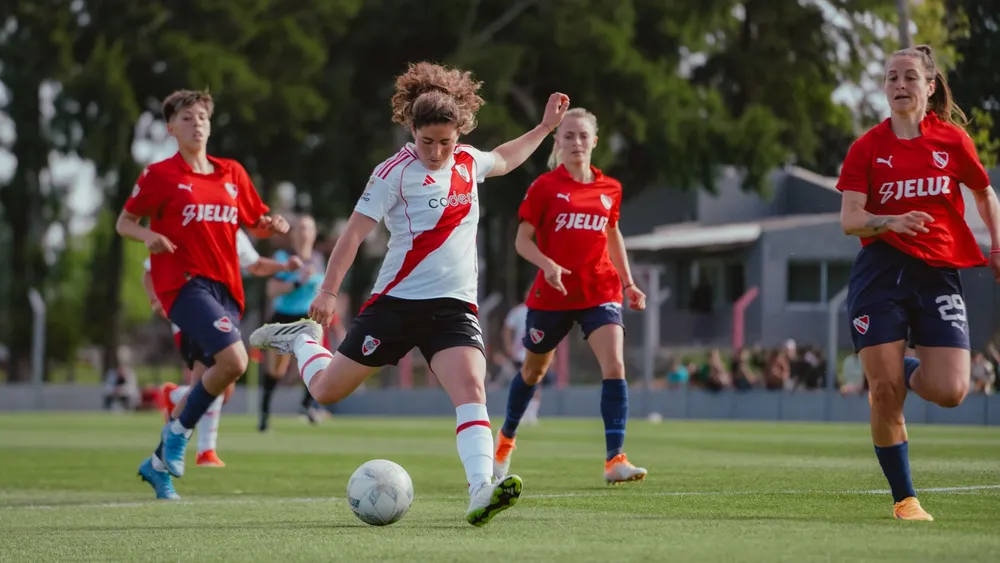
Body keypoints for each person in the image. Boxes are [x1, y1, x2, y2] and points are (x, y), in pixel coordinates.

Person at [248, 61, 569, 526]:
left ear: (459, 134)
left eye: (446, 142)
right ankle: (301, 340)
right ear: (411, 131)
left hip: (454, 307)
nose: (437, 152)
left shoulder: (468, 162)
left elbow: (505, 156)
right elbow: (353, 234)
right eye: (427, 142)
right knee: (325, 391)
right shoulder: (390, 174)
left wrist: (543, 127)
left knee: (472, 388)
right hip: (395, 305)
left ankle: (481, 489)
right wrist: (330, 290)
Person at [837, 44, 1000, 520]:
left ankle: (901, 367)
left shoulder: (951, 141)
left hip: (937, 274)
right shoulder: (867, 147)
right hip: (880, 274)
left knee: (951, 390)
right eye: (891, 78)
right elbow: (849, 219)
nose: (899, 86)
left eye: (909, 77)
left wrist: (996, 245)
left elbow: (985, 194)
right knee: (884, 393)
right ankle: (905, 499)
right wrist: (888, 222)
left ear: (930, 87)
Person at [117, 89, 289, 500]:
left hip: (225, 288)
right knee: (236, 360)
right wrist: (149, 234)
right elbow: (125, 222)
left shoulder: (231, 173)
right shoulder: (160, 175)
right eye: (188, 118)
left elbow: (255, 221)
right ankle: (177, 438)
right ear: (171, 127)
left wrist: (274, 224)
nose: (197, 124)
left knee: (216, 378)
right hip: (183, 285)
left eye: (202, 118)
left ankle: (158, 463)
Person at [491, 108, 648, 485]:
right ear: (557, 143)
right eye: (568, 136)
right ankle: (504, 443)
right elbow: (521, 241)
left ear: (595, 141)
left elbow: (613, 235)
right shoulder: (545, 187)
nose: (576, 142)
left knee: (615, 366)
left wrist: (628, 283)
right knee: (533, 372)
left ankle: (615, 460)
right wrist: (547, 264)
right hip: (552, 295)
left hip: (600, 290)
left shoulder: (610, 188)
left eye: (583, 136)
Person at [144, 228, 301, 466]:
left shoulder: (233, 231)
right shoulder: (190, 224)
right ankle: (201, 450)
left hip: (223, 313)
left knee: (221, 384)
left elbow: (255, 265)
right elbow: (150, 267)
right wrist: (155, 299)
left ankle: (176, 397)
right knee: (214, 374)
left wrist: (284, 268)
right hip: (191, 313)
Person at [258, 214, 343, 431]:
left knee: (319, 363)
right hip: (284, 319)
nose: (304, 233)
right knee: (277, 370)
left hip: (310, 320)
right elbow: (271, 290)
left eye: (308, 228)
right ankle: (264, 414)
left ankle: (306, 407)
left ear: (314, 234)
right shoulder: (283, 257)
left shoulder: (318, 259)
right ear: (293, 234)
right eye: (300, 229)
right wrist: (297, 282)